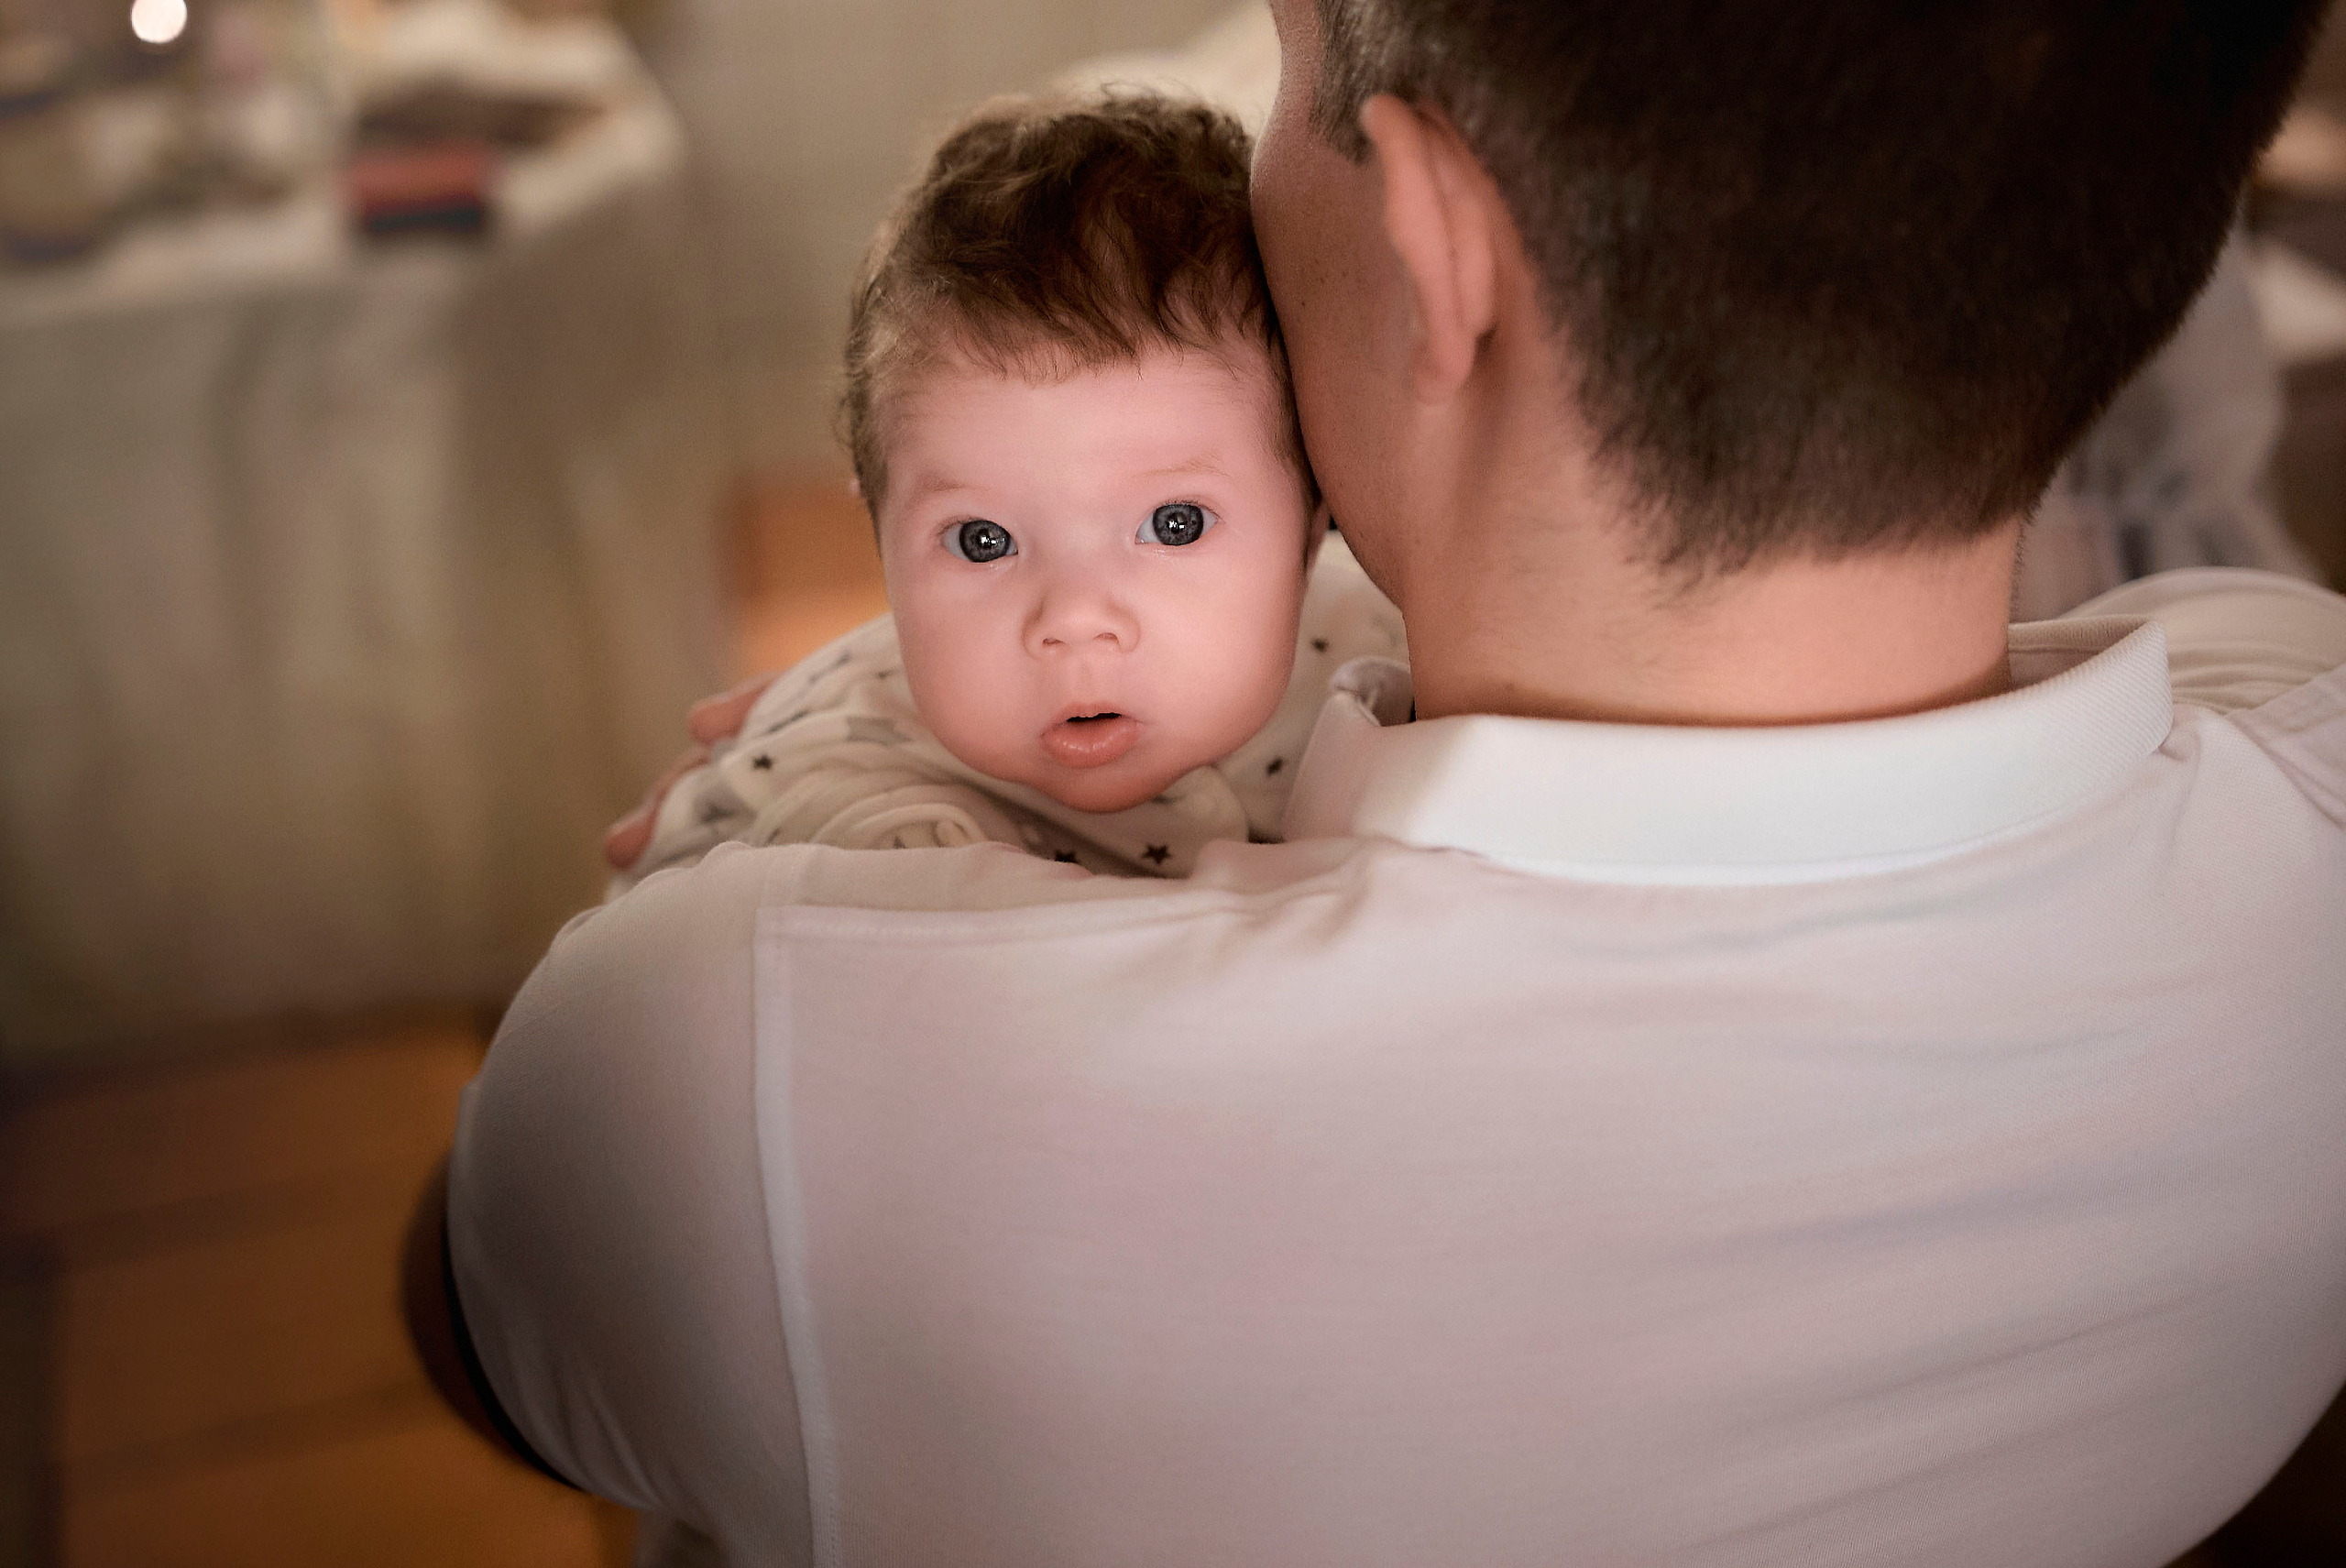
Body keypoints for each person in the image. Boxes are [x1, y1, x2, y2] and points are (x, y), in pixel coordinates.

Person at [412, 2, 2346, 1564]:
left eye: (1279, 68)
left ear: (1433, 248)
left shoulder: (748, 1079)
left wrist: (817, 801)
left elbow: (473, 1318)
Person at [612, 95, 1402, 890]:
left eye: (1175, 522)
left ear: (1313, 522)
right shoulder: (858, 832)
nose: (1074, 619)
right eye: (982, 539)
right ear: (880, 540)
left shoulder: (1390, 662)